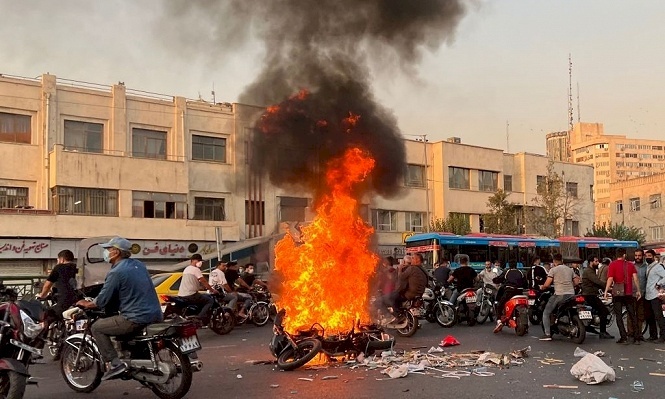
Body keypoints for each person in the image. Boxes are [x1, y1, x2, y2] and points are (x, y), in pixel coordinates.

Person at [75, 237, 163, 381]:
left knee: (97, 327)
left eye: (108, 250)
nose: (106, 253)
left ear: (116, 252)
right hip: (156, 314)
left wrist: (86, 303)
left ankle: (115, 364)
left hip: (135, 317)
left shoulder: (116, 272)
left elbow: (102, 300)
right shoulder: (139, 265)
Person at [37, 249, 79, 360]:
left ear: (61, 259)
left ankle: (38, 348)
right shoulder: (77, 268)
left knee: (45, 317)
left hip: (63, 302)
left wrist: (42, 295)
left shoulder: (59, 268)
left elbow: (47, 285)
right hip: (78, 301)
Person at [604, 248, 642, 345]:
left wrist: (606, 291)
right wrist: (638, 290)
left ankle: (623, 337)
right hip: (629, 293)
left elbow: (610, 278)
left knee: (619, 316)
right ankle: (636, 337)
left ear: (617, 255)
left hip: (617, 293)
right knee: (632, 314)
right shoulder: (630, 265)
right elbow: (635, 278)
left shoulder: (612, 264)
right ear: (624, 255)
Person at [538, 253, 580, 341]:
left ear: (554, 261)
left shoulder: (553, 270)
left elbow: (547, 284)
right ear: (562, 260)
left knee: (546, 312)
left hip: (560, 294)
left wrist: (542, 287)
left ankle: (547, 334)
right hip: (571, 294)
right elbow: (576, 282)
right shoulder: (570, 270)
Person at [388, 253, 428, 325]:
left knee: (391, 298)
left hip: (410, 294)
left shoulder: (412, 268)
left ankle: (398, 316)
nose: (411, 260)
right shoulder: (424, 270)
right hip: (419, 293)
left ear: (417, 260)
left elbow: (401, 277)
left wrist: (400, 269)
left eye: (412, 258)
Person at [178, 254, 219, 322]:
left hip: (181, 294)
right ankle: (200, 317)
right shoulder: (195, 269)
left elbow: (192, 281)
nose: (200, 262)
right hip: (191, 294)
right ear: (193, 260)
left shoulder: (186, 269)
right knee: (209, 301)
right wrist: (212, 290)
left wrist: (201, 287)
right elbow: (203, 281)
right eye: (199, 260)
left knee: (203, 297)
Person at [581, 256, 614, 339]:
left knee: (599, 309)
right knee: (604, 311)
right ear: (590, 262)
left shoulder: (592, 270)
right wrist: (608, 287)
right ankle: (602, 332)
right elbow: (597, 282)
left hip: (592, 293)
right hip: (589, 295)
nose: (597, 263)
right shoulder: (588, 271)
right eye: (595, 261)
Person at [629, 249, 657, 342]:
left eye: (639, 255)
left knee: (641, 315)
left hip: (643, 294)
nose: (637, 257)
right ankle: (631, 334)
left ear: (643, 256)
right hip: (632, 294)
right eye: (636, 255)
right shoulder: (630, 266)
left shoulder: (647, 267)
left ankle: (639, 334)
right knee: (631, 315)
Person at [492, 259, 527, 333]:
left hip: (509, 292)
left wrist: (494, 280)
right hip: (519, 292)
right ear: (516, 265)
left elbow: (498, 279)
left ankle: (499, 321)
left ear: (509, 265)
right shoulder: (521, 272)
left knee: (499, 304)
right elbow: (526, 284)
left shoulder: (507, 272)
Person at [644, 250, 665, 343]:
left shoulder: (658, 267)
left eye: (649, 255)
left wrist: (658, 283)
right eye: (646, 256)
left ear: (653, 256)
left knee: (658, 316)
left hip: (655, 295)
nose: (647, 257)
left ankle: (663, 336)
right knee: (649, 316)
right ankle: (653, 335)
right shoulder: (648, 267)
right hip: (648, 295)